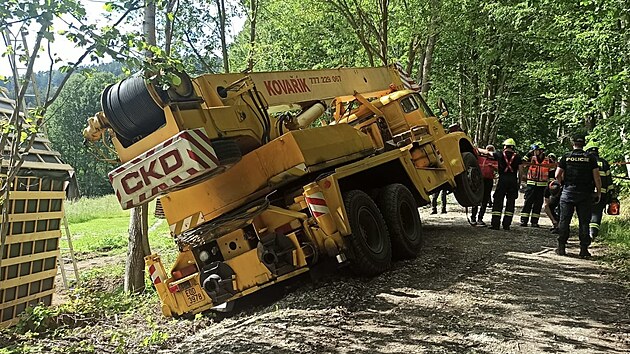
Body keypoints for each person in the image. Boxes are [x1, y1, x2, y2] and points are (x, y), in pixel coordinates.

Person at [555, 135, 601, 258]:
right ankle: (584, 250)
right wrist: (598, 192)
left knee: (564, 220)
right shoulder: (590, 158)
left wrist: (561, 184)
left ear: (572, 144)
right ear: (584, 144)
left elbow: (557, 174)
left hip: (568, 192)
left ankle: (561, 247)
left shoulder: (566, 157)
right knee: (584, 222)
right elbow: (596, 177)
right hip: (585, 194)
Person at [487, 138, 522, 230]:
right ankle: (506, 225)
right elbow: (521, 171)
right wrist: (519, 182)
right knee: (510, 202)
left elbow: (488, 153)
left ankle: (495, 224)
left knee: (498, 201)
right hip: (513, 180)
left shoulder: (499, 154)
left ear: (505, 146)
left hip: (502, 179)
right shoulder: (518, 157)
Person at [585, 142, 614, 241]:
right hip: (602, 193)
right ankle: (593, 233)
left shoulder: (586, 161)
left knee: (585, 212)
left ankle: (585, 232)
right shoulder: (604, 163)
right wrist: (611, 194)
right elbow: (609, 180)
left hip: (587, 192)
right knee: (597, 213)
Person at [520, 142, 552, 227]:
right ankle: (524, 220)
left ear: (541, 150)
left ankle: (534, 221)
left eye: (535, 150)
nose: (533, 151)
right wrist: (529, 153)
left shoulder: (548, 159)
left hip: (542, 185)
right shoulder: (531, 157)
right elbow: (522, 162)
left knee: (538, 203)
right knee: (528, 202)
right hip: (531, 184)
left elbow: (552, 170)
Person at [471, 145, 497, 226]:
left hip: (488, 181)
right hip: (479, 180)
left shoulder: (494, 159)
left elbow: (498, 168)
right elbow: (474, 149)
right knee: (476, 199)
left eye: (491, 150)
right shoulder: (479, 157)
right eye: (488, 150)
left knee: (485, 200)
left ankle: (480, 218)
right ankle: (473, 218)